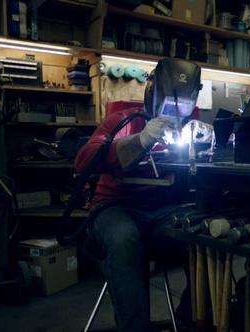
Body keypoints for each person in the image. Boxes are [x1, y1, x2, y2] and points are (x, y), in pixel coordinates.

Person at [75, 58, 199, 332]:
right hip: (114, 208)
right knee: (124, 238)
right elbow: (83, 160)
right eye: (169, 107)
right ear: (153, 94)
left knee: (201, 234)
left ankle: (193, 320)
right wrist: (140, 140)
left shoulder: (190, 127)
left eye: (183, 109)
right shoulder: (121, 120)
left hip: (163, 210)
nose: (176, 115)